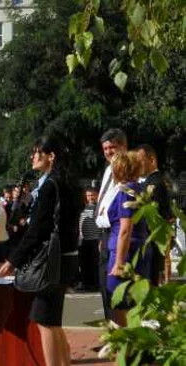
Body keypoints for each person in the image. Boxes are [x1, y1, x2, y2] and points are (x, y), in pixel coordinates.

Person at [0, 136, 82, 366]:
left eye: (37, 152)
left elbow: (38, 230)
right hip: (66, 257)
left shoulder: (50, 185)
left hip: (52, 260)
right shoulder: (68, 182)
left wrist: (13, 260)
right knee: (53, 320)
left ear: (51, 156)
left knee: (44, 320)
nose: (32, 157)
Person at [106, 151, 152, 327]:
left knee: (117, 303)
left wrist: (118, 262)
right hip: (139, 248)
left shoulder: (127, 191)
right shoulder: (140, 190)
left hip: (125, 252)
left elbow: (125, 228)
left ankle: (126, 345)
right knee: (137, 304)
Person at [95, 128, 128, 321]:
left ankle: (123, 340)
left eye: (112, 147)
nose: (108, 152)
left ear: (123, 147)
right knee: (104, 287)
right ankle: (112, 334)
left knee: (117, 291)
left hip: (119, 232)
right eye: (105, 148)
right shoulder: (108, 169)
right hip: (105, 233)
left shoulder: (129, 169)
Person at [135, 144, 173, 285]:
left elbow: (152, 217)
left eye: (139, 160)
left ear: (151, 159)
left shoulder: (155, 183)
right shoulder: (152, 181)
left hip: (151, 242)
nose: (137, 165)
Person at [77, 187, 100, 291]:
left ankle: (95, 284)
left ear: (97, 195)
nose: (90, 197)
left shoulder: (99, 208)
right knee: (84, 263)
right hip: (84, 239)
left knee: (95, 263)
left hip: (95, 239)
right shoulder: (82, 208)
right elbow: (79, 223)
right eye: (88, 195)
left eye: (92, 195)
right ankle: (85, 283)